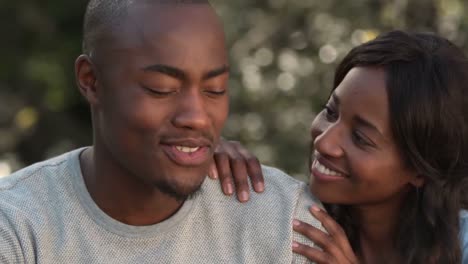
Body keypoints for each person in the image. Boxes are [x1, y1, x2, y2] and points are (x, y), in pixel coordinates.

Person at [0, 0, 323, 263]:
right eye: (161, 89)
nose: (197, 118)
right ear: (91, 80)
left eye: (215, 89)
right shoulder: (18, 227)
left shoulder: (286, 226)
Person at [212, 31, 468, 263]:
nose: (324, 142)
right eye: (331, 112)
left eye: (360, 138)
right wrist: (208, 156)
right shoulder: (294, 223)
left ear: (420, 170)